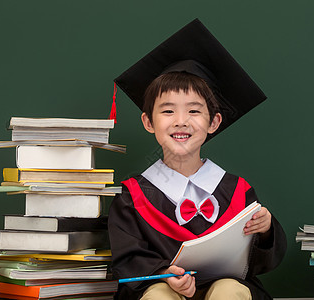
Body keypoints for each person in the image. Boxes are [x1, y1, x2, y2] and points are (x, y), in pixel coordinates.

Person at [108, 19, 287, 300]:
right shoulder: (132, 197)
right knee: (158, 295)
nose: (181, 122)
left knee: (230, 290)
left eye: (194, 111)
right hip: (160, 289)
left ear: (214, 122)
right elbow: (128, 260)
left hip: (223, 289)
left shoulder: (237, 192)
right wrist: (166, 274)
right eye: (167, 111)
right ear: (148, 122)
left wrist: (265, 230)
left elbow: (256, 261)